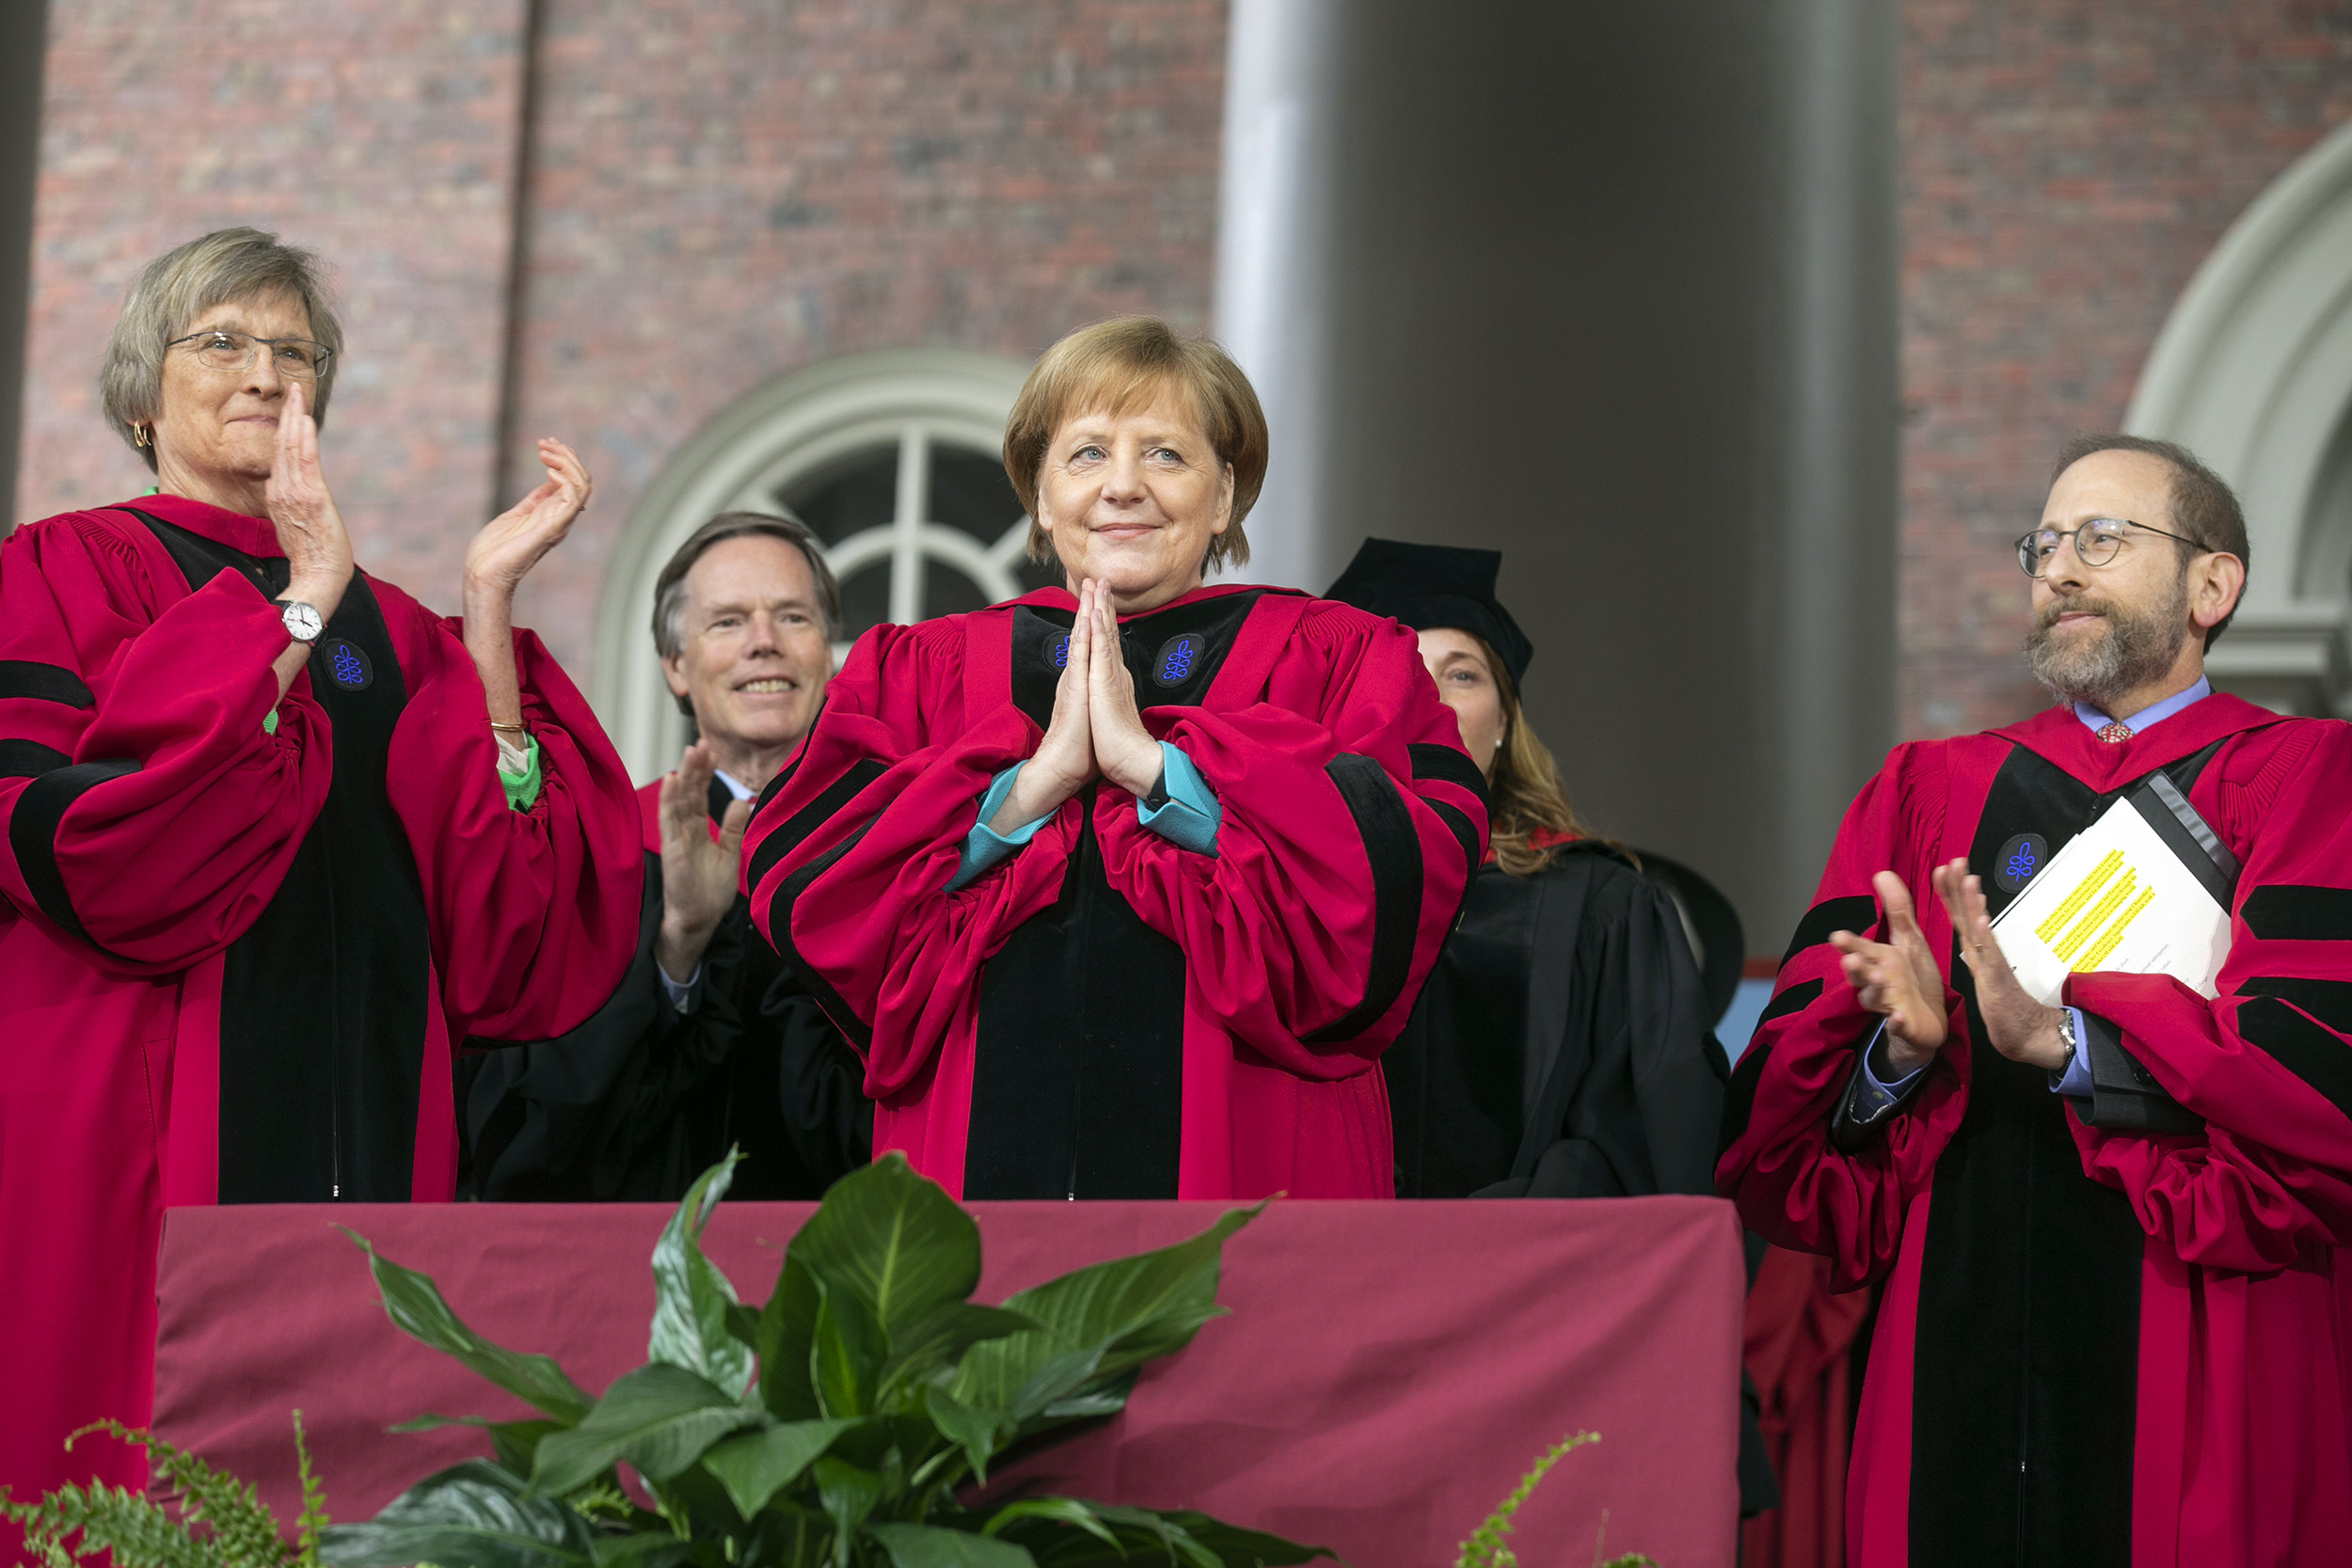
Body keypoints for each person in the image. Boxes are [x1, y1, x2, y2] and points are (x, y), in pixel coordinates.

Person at [0, 230, 642, 1507]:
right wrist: (296, 605)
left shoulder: (400, 631)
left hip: (368, 1128)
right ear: (145, 391)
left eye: (293, 349)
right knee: (125, 1469)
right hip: (132, 1118)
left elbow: (507, 934)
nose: (263, 370)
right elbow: (103, 852)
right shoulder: (58, 573)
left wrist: (489, 611)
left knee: (335, 1478)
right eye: (223, 340)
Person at [1717, 434, 2352, 1565]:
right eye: (2043, 542)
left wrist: (2065, 1043)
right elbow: (1797, 1147)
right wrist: (1896, 1056)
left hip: (2206, 1326)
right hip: (1948, 1329)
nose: (2057, 567)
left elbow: (2312, 1085)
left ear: (2213, 584)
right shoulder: (1926, 790)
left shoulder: (2302, 776)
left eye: (2102, 538)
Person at [742, 316, 1487, 1200]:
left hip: (1255, 1176)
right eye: (1088, 454)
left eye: (1167, 455)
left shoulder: (1337, 657)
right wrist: (1029, 789)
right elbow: (816, 880)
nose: (1124, 486)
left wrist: (1156, 773)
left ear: (1225, 496)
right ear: (1039, 494)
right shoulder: (914, 673)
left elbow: (1402, 871)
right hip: (965, 1190)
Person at [460, 513, 870, 1200]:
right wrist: (676, 945)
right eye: (728, 622)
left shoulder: (886, 846)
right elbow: (541, 1117)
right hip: (648, 1257)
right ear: (676, 668)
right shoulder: (609, 852)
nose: (763, 643)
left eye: (793, 617)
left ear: (827, 654)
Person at [1322, 537, 1725, 1199]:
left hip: (1534, 1281)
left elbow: (1650, 1138)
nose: (1432, 700)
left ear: (1505, 719)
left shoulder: (1600, 907)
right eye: (1403, 671)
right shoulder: (1284, 898)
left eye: (1462, 674)